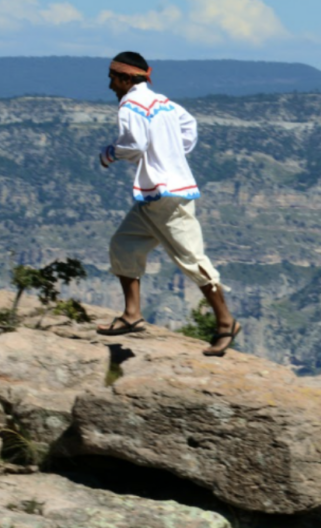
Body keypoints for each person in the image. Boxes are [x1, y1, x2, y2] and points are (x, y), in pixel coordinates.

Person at [95, 51, 240, 357]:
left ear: (125, 78)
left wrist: (110, 153)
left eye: (113, 78)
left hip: (167, 196)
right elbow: (190, 127)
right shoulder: (164, 102)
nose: (110, 85)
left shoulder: (130, 105)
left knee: (191, 259)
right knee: (123, 245)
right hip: (155, 196)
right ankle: (132, 314)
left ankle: (226, 322)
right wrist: (172, 154)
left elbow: (134, 144)